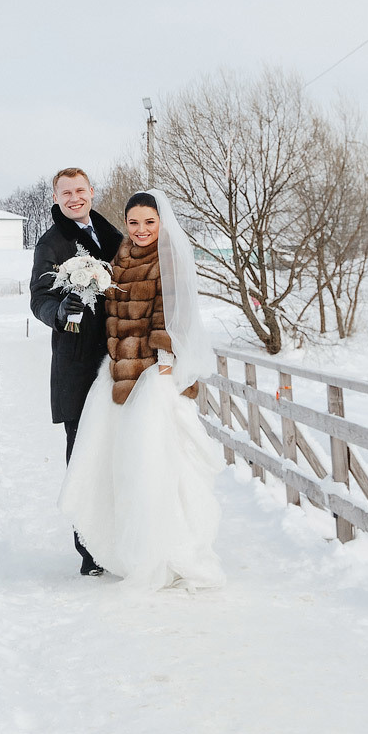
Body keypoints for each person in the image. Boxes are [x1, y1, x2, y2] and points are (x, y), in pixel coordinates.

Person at [58, 190, 226, 591]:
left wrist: (164, 360)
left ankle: (166, 551)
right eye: (134, 222)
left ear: (161, 222)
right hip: (120, 374)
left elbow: (170, 313)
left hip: (152, 376)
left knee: (154, 466)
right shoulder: (122, 254)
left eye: (149, 222)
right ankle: (129, 549)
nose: (141, 229)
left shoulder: (167, 258)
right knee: (121, 467)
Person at [29, 167, 124, 575]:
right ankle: (90, 552)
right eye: (65, 193)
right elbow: (38, 298)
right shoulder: (51, 243)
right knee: (83, 455)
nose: (74, 198)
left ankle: (120, 540)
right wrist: (59, 311)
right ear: (56, 197)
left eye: (80, 190)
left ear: (91, 192)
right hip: (78, 364)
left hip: (119, 359)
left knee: (119, 450)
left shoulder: (112, 235)